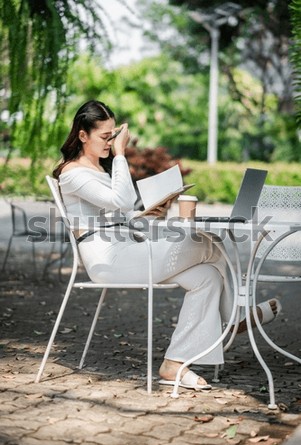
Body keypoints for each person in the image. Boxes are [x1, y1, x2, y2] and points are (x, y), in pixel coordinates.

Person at [53, 100, 281, 391]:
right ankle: (235, 317)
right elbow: (120, 201)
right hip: (108, 261)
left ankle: (174, 364)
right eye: (105, 136)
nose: (111, 142)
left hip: (125, 250)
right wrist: (122, 154)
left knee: (207, 277)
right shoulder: (72, 174)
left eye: (114, 135)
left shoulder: (97, 170)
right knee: (208, 241)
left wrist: (145, 215)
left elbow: (117, 214)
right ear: (83, 135)